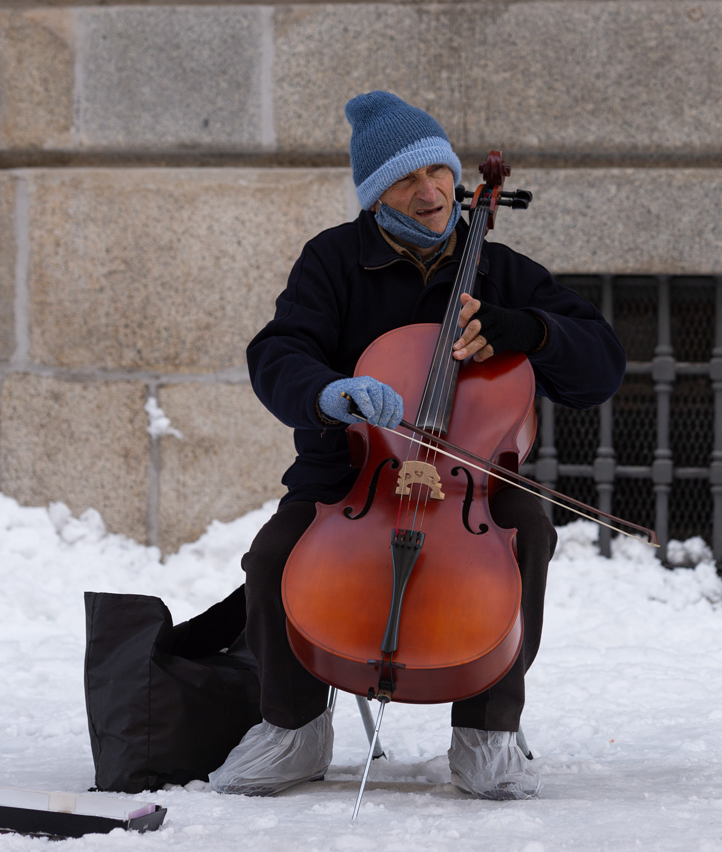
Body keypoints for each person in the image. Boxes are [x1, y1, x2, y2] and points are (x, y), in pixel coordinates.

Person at [209, 91, 626, 801]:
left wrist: (532, 331)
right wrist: (330, 392)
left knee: (526, 532)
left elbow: (602, 366)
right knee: (273, 556)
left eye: (439, 171)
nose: (431, 192)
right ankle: (293, 729)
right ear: (375, 196)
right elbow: (278, 351)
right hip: (351, 475)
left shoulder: (500, 270)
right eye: (407, 179)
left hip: (473, 492)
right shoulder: (333, 262)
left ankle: (488, 732)